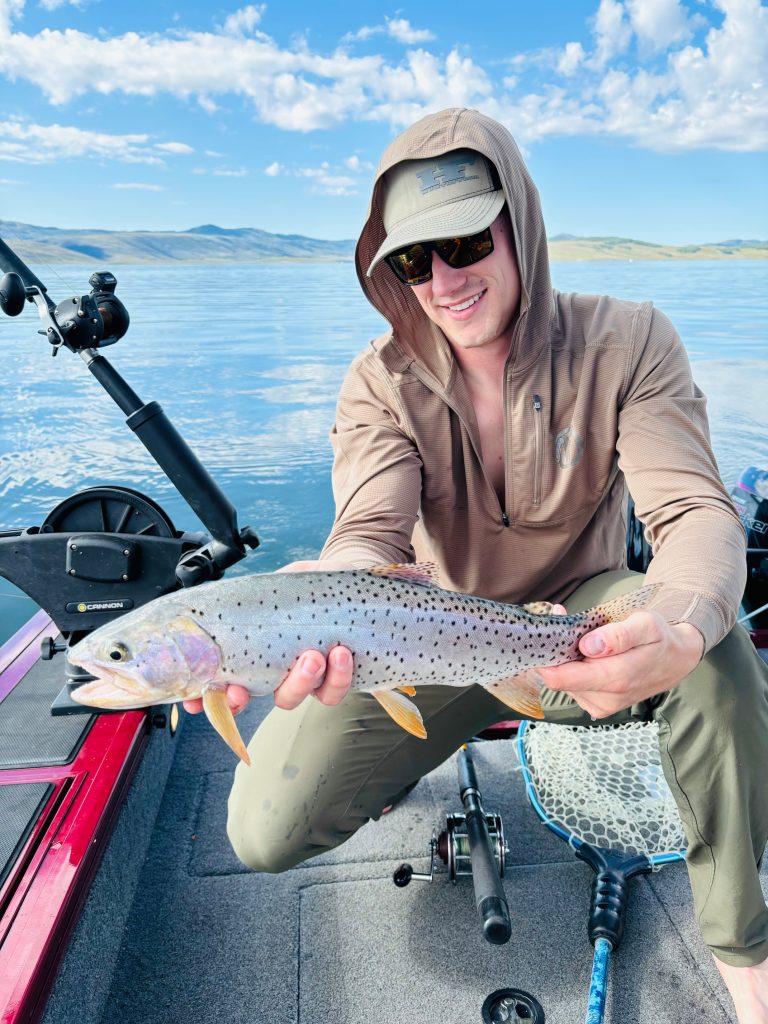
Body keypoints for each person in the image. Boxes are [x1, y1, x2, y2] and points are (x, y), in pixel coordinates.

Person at [186, 108, 768, 1022]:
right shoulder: (376, 379)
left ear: (520, 225)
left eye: (465, 240)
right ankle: (393, 766)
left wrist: (683, 626)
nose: (445, 280)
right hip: (421, 641)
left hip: (577, 624)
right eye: (414, 260)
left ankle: (746, 963)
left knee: (721, 660)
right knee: (263, 830)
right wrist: (325, 594)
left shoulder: (633, 339)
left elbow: (694, 509)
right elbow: (369, 532)